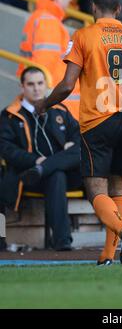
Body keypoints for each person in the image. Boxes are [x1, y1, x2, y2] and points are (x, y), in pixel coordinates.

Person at [34, 0, 122, 265]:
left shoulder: (82, 36)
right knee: (119, 189)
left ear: (93, 8)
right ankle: (109, 255)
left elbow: (68, 84)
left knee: (96, 191)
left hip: (96, 121)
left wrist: (45, 103)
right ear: (119, 10)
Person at [0, 67, 81, 250]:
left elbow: (79, 135)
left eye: (40, 83)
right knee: (57, 174)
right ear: (22, 87)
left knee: (82, 150)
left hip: (69, 176)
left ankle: (46, 168)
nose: (36, 88)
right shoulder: (10, 115)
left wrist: (73, 144)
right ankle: (62, 242)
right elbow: (6, 149)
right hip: (28, 177)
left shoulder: (60, 109)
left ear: (46, 85)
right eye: (31, 84)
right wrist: (34, 161)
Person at [18, 0, 80, 119]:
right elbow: (45, 62)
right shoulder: (49, 22)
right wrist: (45, 99)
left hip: (52, 97)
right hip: (56, 100)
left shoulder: (39, 17)